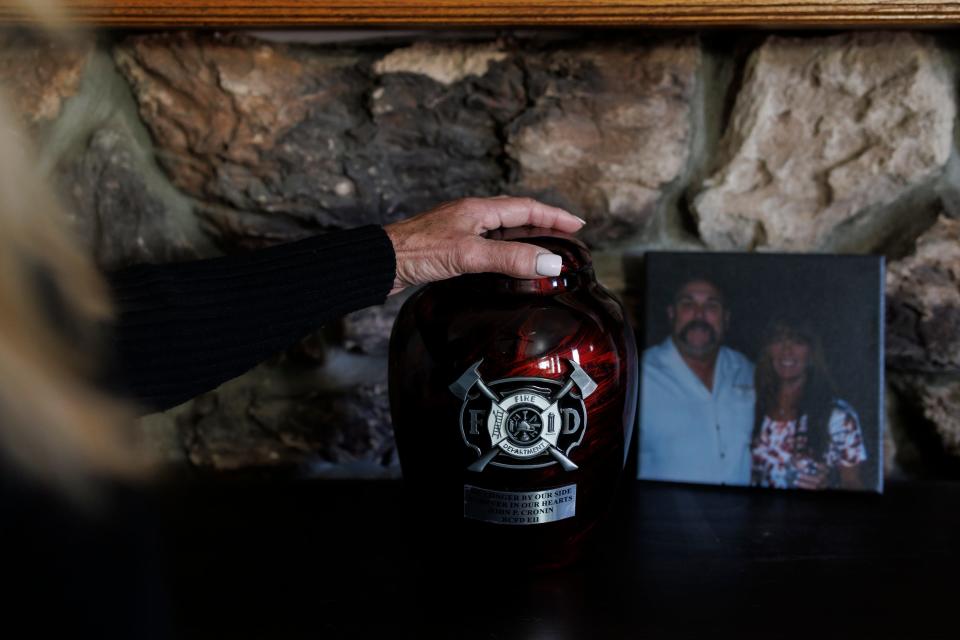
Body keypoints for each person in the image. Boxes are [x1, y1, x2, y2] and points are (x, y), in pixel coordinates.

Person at [639, 274, 755, 486]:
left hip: (740, 515)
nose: (699, 315)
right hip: (665, 516)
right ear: (671, 314)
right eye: (688, 304)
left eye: (711, 306)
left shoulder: (747, 370)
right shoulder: (640, 374)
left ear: (726, 318)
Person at [750, 316, 867, 490]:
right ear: (769, 350)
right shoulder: (749, 405)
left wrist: (829, 487)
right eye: (778, 340)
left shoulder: (839, 416)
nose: (786, 350)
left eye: (797, 342)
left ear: (811, 353)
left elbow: (853, 484)